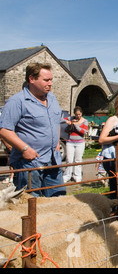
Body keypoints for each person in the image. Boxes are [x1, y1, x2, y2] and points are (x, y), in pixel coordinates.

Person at [0, 63, 66, 197]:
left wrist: (57, 143)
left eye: (51, 80)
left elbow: (56, 122)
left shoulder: (52, 99)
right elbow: (4, 130)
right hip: (29, 163)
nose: (50, 84)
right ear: (31, 79)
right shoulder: (17, 101)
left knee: (58, 200)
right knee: (31, 202)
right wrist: (25, 149)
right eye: (46, 80)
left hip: (53, 160)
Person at [63, 106, 89, 183]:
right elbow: (62, 120)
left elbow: (83, 131)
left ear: (81, 113)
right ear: (74, 114)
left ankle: (77, 176)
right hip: (70, 141)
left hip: (80, 143)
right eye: (76, 114)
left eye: (79, 114)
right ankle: (67, 175)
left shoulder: (85, 121)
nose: (78, 116)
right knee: (69, 159)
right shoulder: (71, 118)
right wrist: (68, 122)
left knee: (78, 160)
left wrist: (75, 125)